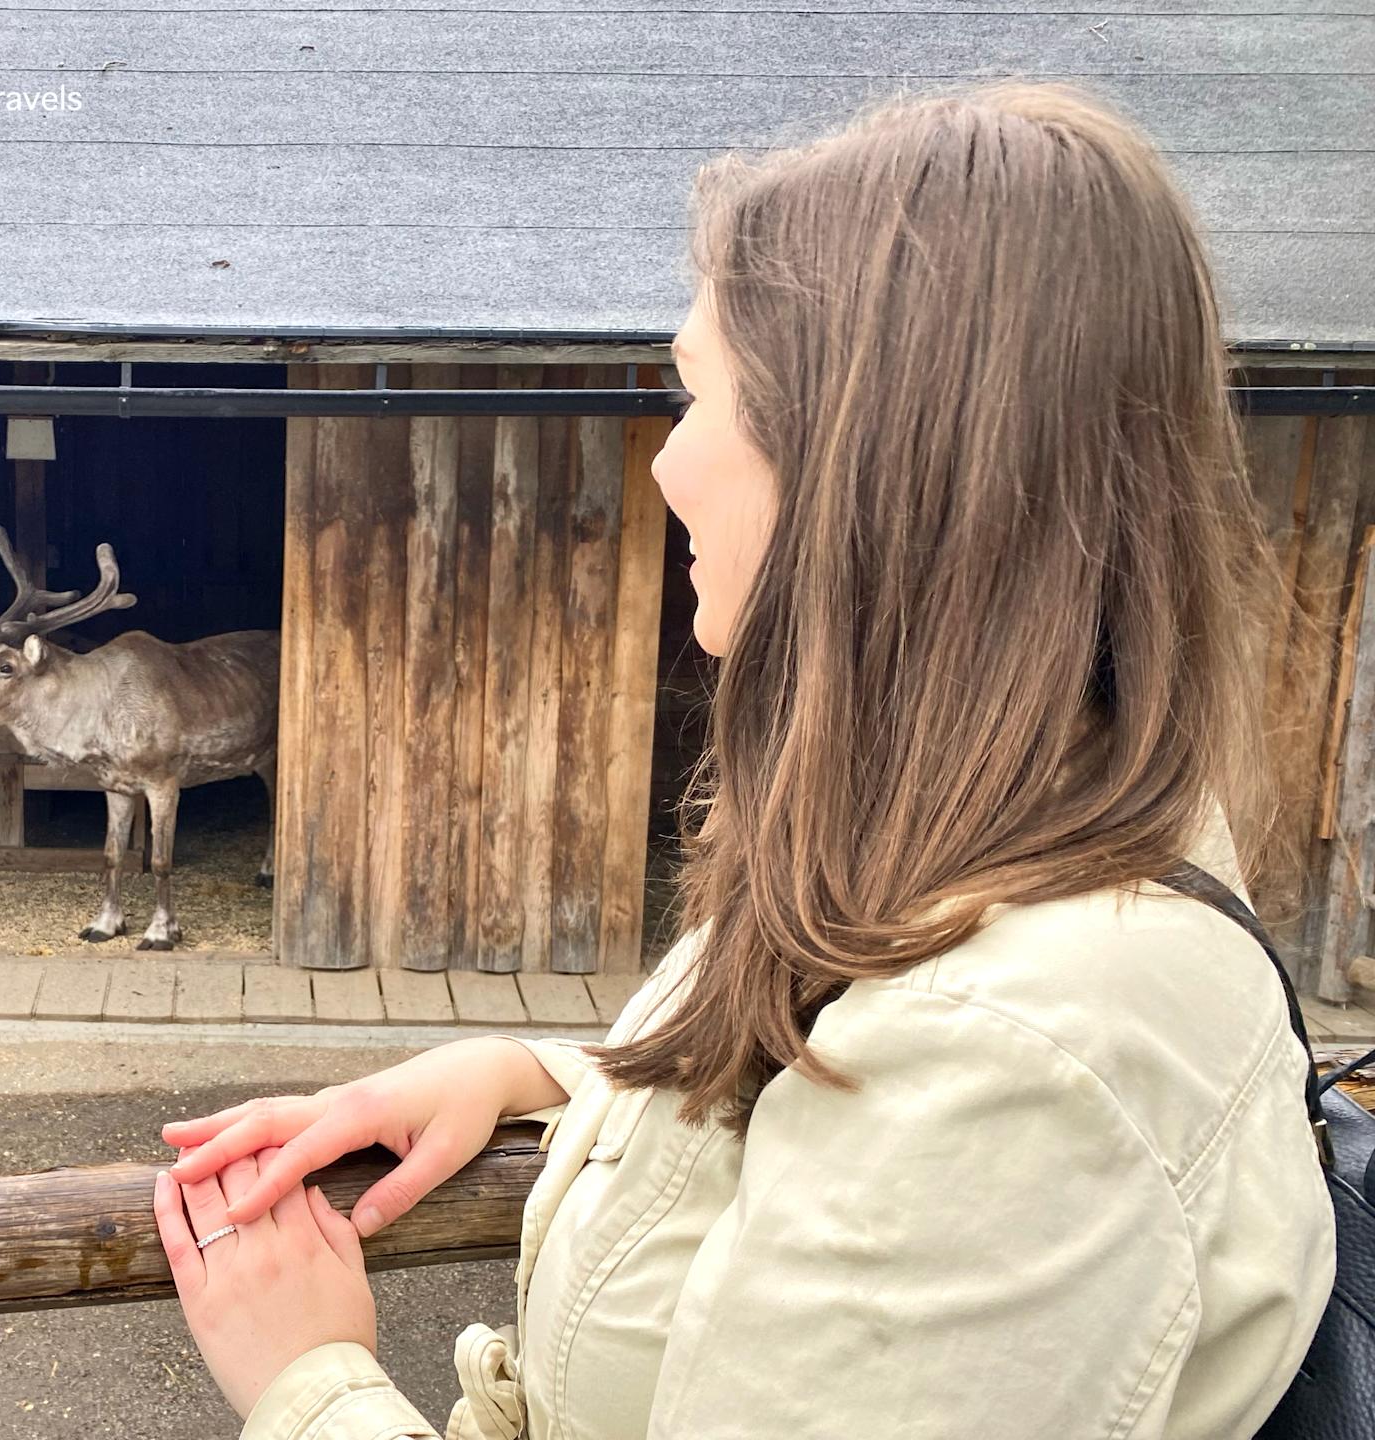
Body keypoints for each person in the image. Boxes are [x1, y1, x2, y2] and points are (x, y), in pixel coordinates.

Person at [150, 79, 1338, 1438]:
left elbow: (932, 1103)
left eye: (702, 396)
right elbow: (845, 1086)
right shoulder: (1030, 841)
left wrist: (313, 1385)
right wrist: (557, 1082)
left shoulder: (1019, 1066)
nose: (665, 467)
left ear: (882, 457)